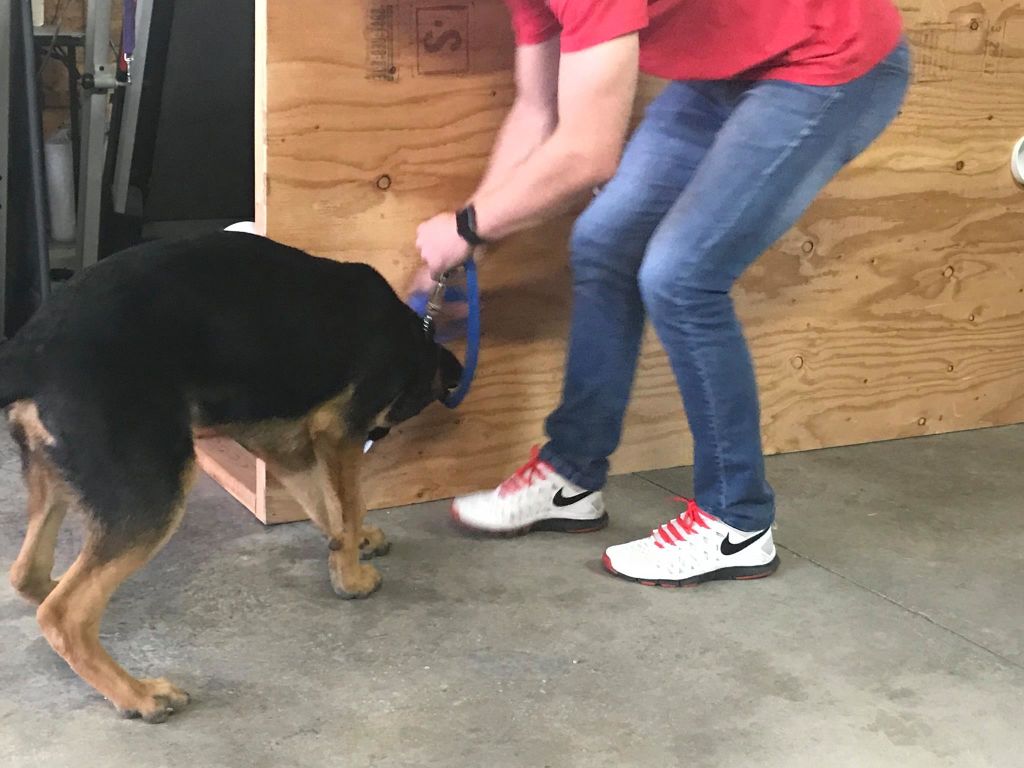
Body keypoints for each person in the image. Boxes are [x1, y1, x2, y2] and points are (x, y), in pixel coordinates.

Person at [414, 0, 910, 587]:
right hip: (725, 70)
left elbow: (586, 152)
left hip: (827, 60)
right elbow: (537, 108)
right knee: (604, 242)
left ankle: (737, 522)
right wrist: (470, 232)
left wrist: (472, 225)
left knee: (681, 276)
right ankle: (571, 476)